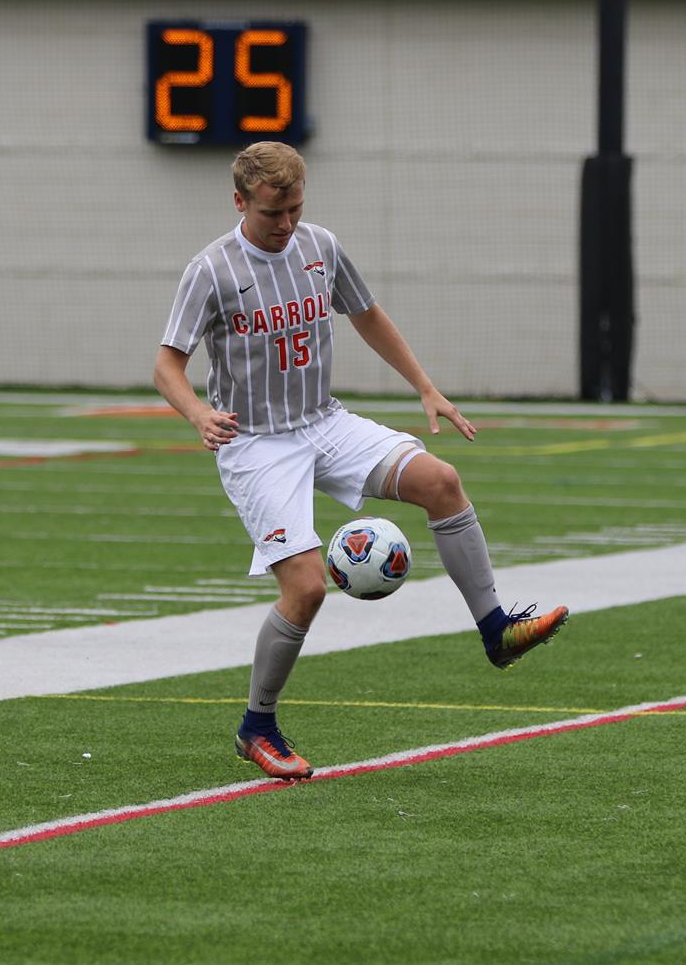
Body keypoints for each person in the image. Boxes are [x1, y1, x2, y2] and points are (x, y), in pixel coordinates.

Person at [154, 141, 568, 782]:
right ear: (240, 202)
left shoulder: (320, 246)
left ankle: (496, 631)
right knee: (307, 587)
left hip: (324, 422)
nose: (286, 224)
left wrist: (424, 386)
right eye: (272, 213)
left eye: (295, 208)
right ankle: (257, 727)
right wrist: (196, 413)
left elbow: (367, 314)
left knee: (441, 481)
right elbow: (166, 365)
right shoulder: (211, 270)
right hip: (256, 442)